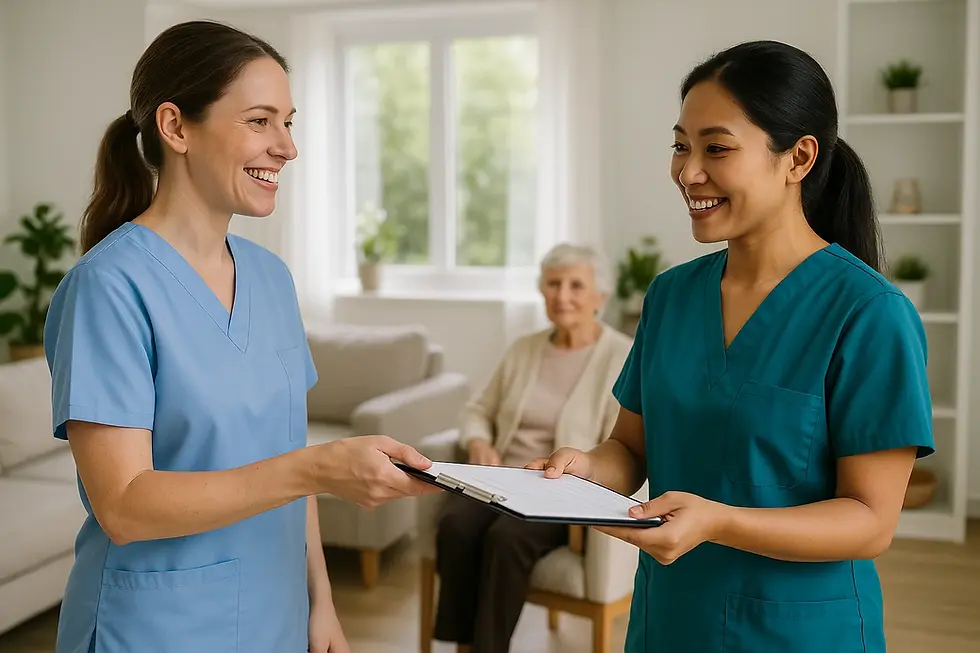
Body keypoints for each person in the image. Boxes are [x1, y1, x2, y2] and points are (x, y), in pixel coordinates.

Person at [44, 20, 438, 653]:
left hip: (274, 614)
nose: (286, 147)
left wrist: (322, 602)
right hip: (156, 627)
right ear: (175, 128)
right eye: (259, 122)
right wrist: (314, 469)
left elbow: (290, 446)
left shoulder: (270, 278)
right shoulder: (109, 288)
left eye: (288, 122)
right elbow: (124, 504)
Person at [529, 40, 934, 653]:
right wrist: (582, 470)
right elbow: (629, 449)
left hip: (799, 630)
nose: (688, 172)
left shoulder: (870, 314)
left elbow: (871, 520)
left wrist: (719, 521)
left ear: (798, 158)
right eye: (680, 145)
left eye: (716, 148)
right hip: (669, 620)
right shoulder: (670, 296)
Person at [432, 243, 634, 653]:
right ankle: (462, 644)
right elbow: (478, 409)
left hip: (560, 489)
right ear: (542, 290)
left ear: (601, 296)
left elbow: (619, 443)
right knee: (454, 525)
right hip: (501, 478)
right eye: (554, 284)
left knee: (507, 538)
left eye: (576, 286)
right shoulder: (524, 348)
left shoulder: (620, 356)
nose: (563, 296)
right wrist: (479, 441)